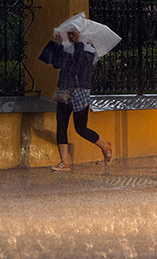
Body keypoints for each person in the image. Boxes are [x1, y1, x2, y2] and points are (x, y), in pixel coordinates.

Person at [39, 26, 113, 171]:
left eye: (73, 34)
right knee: (61, 126)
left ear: (82, 35)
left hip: (80, 92)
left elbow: (79, 66)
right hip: (65, 91)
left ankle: (106, 147)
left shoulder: (89, 51)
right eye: (69, 34)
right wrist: (58, 46)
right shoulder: (67, 49)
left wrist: (78, 43)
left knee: (81, 128)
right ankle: (64, 162)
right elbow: (56, 64)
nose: (71, 37)